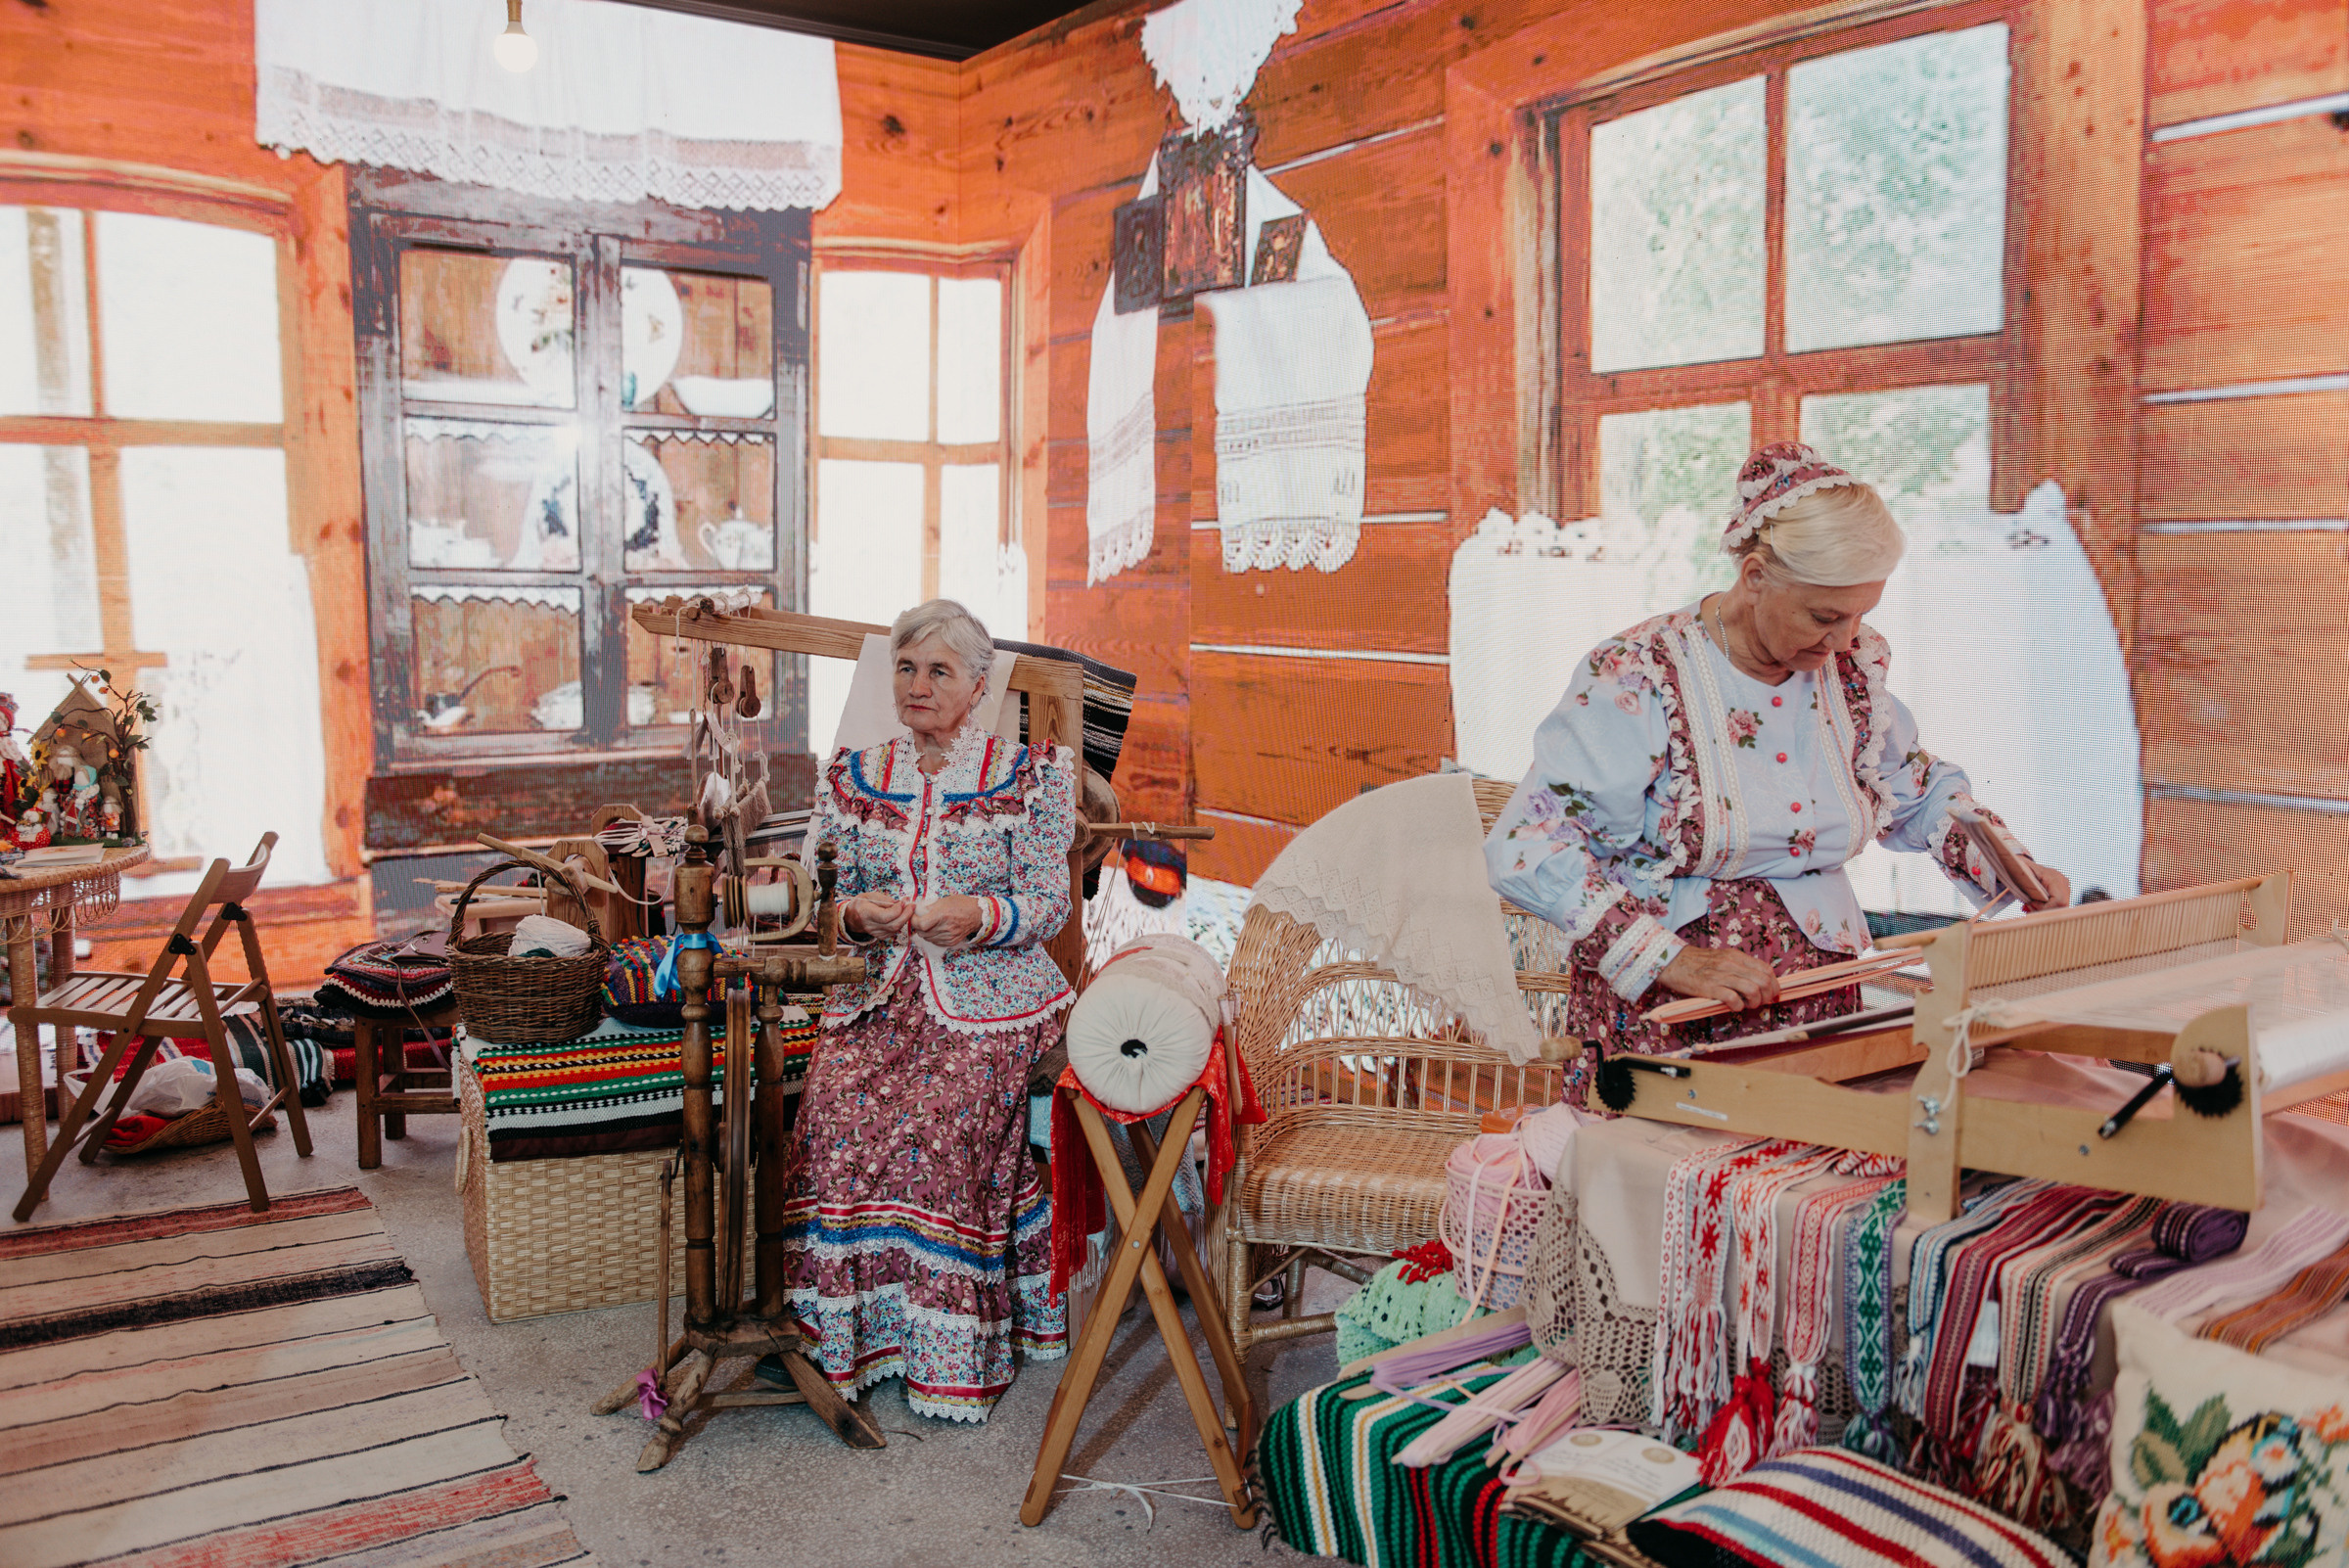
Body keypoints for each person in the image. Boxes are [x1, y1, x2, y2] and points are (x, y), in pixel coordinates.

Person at [1485, 442, 2070, 1108]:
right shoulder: (1637, 674)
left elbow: (1916, 789)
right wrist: (1672, 960)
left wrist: (2009, 866)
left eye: (1860, 616)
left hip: (1821, 999)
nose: (1846, 640)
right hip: (1677, 1009)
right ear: (1756, 575)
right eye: (1825, 616)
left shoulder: (1849, 673)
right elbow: (1524, 845)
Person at [776, 598, 1077, 1420]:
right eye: (906, 668)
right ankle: (845, 1344)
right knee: (833, 1114)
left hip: (993, 1001)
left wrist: (977, 917)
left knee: (943, 1120)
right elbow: (816, 893)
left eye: (938, 670)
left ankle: (944, 1352)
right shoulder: (853, 774)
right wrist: (852, 915)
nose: (917, 685)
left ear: (978, 685)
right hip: (878, 992)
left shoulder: (1032, 775)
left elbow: (1050, 903)